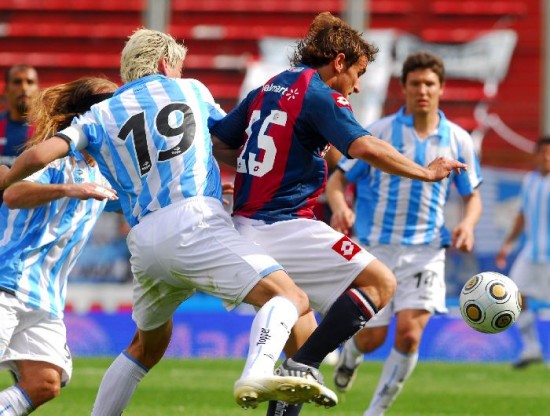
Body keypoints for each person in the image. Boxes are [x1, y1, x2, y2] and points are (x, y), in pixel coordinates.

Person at [0, 28, 336, 414]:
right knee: (290, 298)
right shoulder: (191, 90)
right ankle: (257, 370)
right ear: (164, 63)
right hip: (193, 223)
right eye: (176, 66)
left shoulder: (103, 114)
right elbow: (234, 144)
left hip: (144, 241)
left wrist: (7, 176)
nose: (179, 73)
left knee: (147, 346)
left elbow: (42, 153)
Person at [210, 13, 468, 416]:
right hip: (283, 223)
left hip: (246, 222)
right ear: (340, 62)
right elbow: (363, 146)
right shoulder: (321, 94)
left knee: (305, 333)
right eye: (359, 73)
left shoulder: (268, 87)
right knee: (381, 283)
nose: (359, 85)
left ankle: (298, 365)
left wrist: (250, 172)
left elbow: (221, 143)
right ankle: (304, 366)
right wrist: (425, 172)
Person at [327, 51, 483, 416]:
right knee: (370, 337)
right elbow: (338, 180)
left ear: (441, 88)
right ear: (404, 89)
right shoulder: (379, 132)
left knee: (410, 334)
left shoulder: (459, 139)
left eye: (430, 83)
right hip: (376, 248)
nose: (423, 90)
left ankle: (375, 411)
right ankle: (350, 355)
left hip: (426, 250)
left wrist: (467, 224)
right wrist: (340, 207)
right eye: (415, 84)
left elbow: (471, 196)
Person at [0, 77, 119, 415]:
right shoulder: (53, 156)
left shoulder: (101, 172)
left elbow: (128, 201)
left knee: (45, 383)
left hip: (45, 297)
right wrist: (68, 189)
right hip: (8, 282)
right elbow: (12, 194)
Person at [496, 136, 550, 369]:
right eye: (543, 153)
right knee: (515, 296)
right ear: (536, 155)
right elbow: (522, 215)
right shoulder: (529, 180)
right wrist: (508, 244)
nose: (546, 158)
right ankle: (531, 348)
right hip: (531, 252)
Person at [0, 64, 40, 203]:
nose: (24, 88)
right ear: (6, 90)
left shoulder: (49, 131)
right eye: (17, 82)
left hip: (33, 214)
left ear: (38, 89)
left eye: (30, 82)